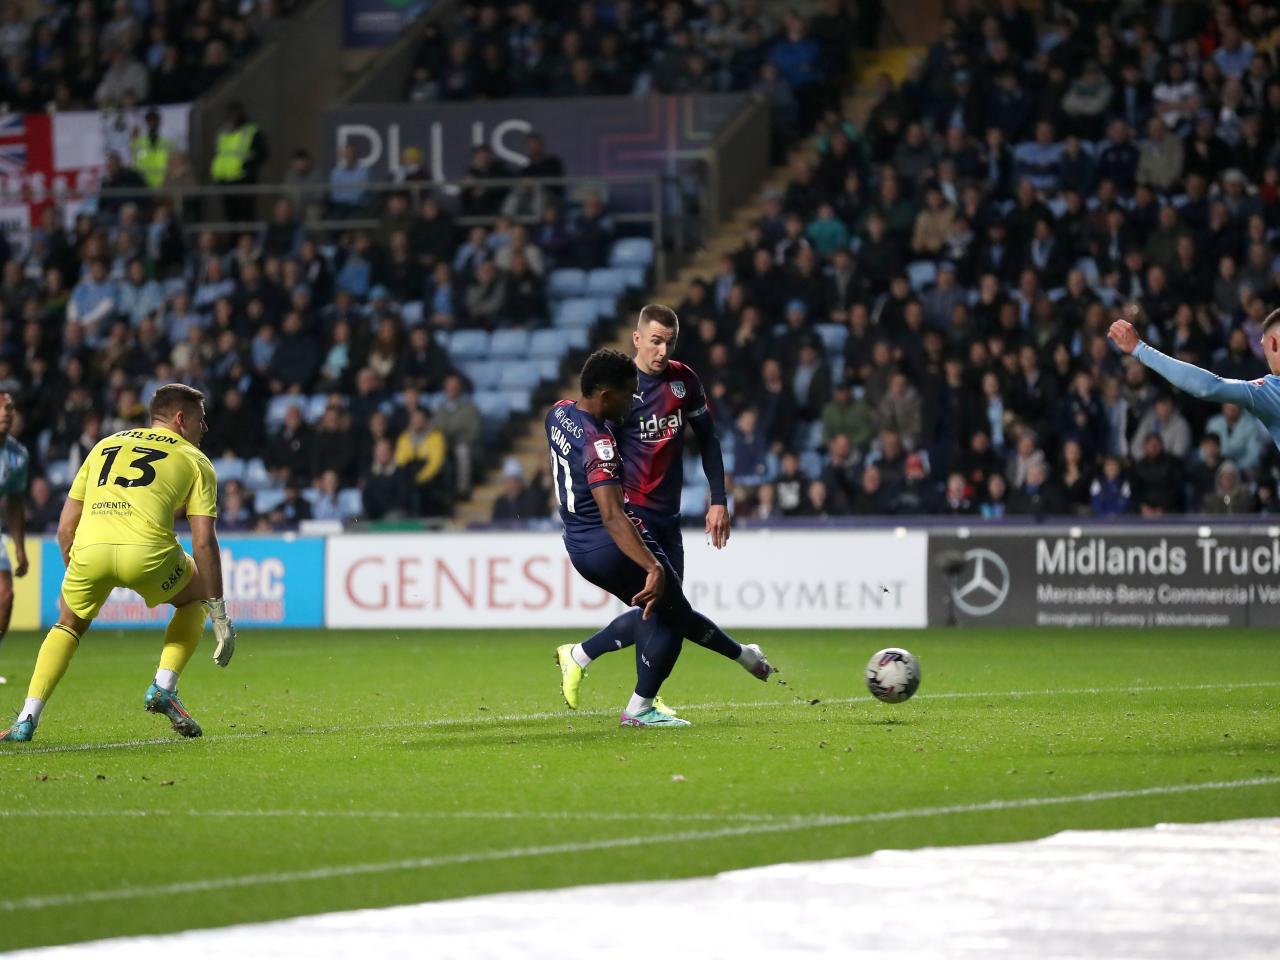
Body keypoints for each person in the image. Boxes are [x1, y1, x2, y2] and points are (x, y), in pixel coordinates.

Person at [547, 349, 774, 728]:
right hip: (608, 543)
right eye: (627, 393)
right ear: (605, 395)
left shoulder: (558, 412)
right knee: (673, 615)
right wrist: (651, 565)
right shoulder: (599, 443)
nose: (633, 401)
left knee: (659, 613)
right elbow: (612, 515)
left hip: (578, 543)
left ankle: (582, 655)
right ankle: (642, 707)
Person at [1, 385, 238, 743]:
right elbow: (203, 541)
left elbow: (66, 526)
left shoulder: (104, 445)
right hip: (147, 553)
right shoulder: (195, 460)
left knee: (68, 623)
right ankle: (164, 686)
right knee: (196, 596)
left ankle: (26, 719)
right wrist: (220, 613)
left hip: (90, 549)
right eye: (201, 420)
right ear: (180, 419)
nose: (204, 428)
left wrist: (76, 570)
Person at [1109, 308, 1280, 456]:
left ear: (1273, 344)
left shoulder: (1272, 390)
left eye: (1264, 348)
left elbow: (1207, 387)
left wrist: (1140, 349)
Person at [0, 392, 30, 686]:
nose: (6, 413)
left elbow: (14, 503)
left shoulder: (17, 455)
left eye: (9, 407)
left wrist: (20, 547)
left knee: (5, 595)